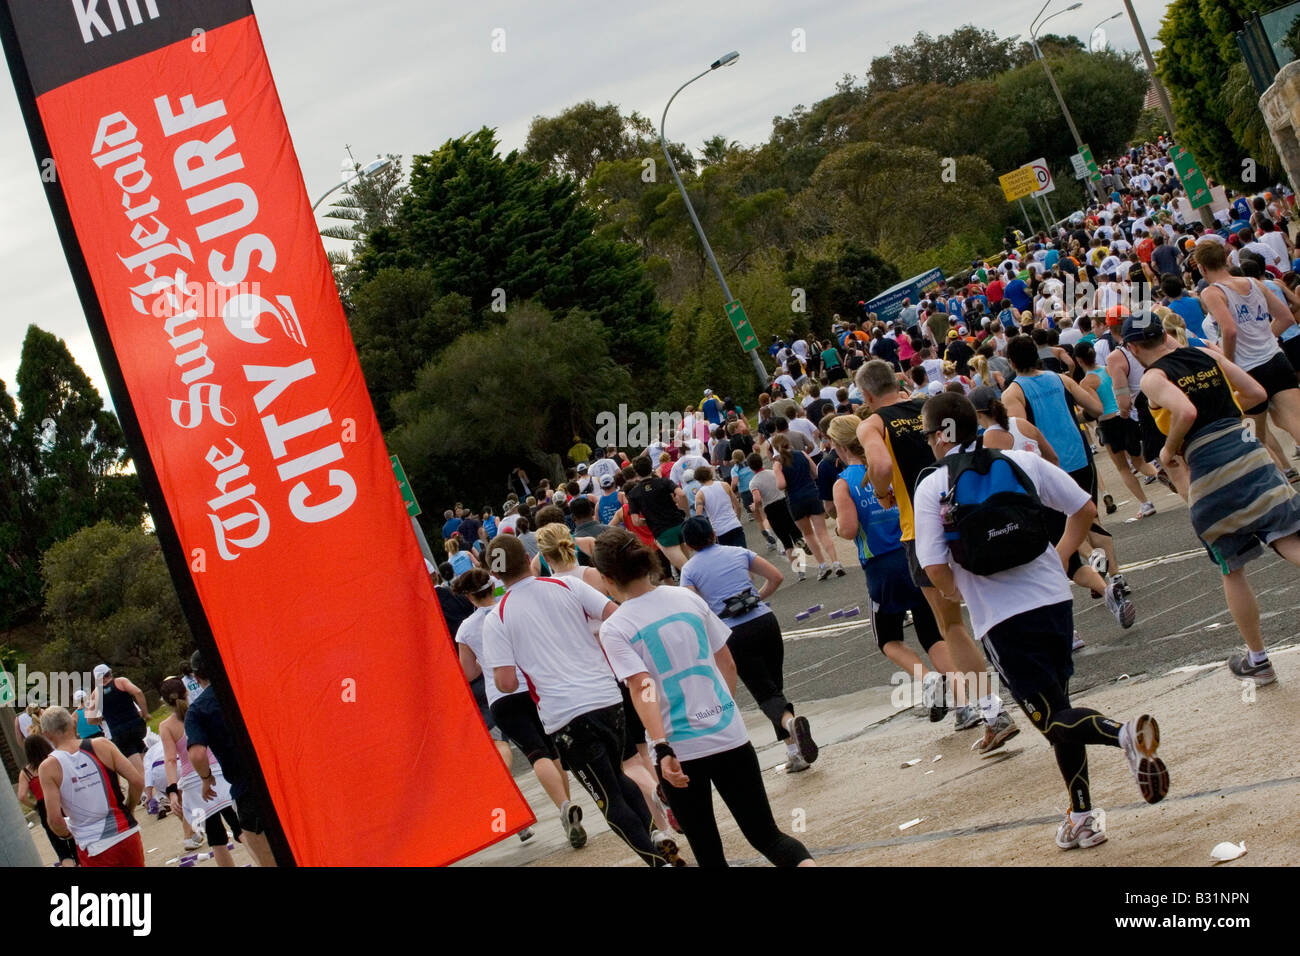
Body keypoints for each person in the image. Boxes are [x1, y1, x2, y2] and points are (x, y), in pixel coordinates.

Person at [913, 392, 1169, 850]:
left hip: (1002, 619)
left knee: (1051, 721)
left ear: (941, 435)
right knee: (1062, 711)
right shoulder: (1018, 462)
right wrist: (1061, 553)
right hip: (1054, 602)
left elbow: (933, 567)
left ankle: (1125, 734)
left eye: (929, 433)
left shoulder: (933, 485)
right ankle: (1083, 818)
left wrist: (961, 592)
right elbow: (1085, 509)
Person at [594, 528, 815, 867]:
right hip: (728, 733)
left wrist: (662, 746)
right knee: (767, 836)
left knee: (708, 852)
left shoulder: (616, 627)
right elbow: (726, 661)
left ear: (608, 578)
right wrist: (721, 708)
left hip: (680, 748)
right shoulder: (687, 598)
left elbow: (642, 687)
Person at [1125, 312, 1300, 686]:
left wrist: (1171, 451)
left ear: (1134, 347)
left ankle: (1259, 660)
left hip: (1210, 472)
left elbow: (1184, 411)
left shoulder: (1154, 377)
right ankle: (1258, 661)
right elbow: (1255, 394)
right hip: (1251, 454)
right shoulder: (1208, 355)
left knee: (1230, 566)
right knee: (1288, 539)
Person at [480, 534, 677, 866]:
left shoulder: (497, 617)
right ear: (526, 558)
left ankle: (657, 861)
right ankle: (656, 835)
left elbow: (506, 681)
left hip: (566, 715)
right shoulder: (565, 586)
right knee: (620, 774)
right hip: (607, 698)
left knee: (607, 797)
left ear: (494, 574)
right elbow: (615, 613)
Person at [854, 359, 1015, 745]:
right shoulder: (929, 404)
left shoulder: (872, 423)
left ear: (866, 395)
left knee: (952, 627)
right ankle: (1033, 686)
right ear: (898, 381)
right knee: (995, 602)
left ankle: (994, 712)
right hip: (969, 510)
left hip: (923, 529)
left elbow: (878, 462)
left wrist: (880, 491)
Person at [827, 416, 954, 724]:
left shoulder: (844, 483)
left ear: (840, 448)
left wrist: (842, 529)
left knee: (887, 638)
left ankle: (925, 678)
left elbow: (848, 528)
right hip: (910, 549)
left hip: (880, 564)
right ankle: (967, 699)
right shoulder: (887, 468)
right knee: (932, 632)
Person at [453, 568, 587, 849]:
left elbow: (467, 672)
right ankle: (568, 803)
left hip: (501, 696)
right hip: (534, 686)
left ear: (469, 597)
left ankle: (563, 806)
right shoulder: (510, 606)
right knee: (553, 751)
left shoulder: (466, 628)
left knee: (535, 753)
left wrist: (482, 661)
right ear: (493, 586)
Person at [679, 516, 819, 770]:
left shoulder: (689, 569)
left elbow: (690, 607)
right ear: (713, 533)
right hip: (765, 620)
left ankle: (791, 724)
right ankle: (794, 751)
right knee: (774, 687)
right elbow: (776, 576)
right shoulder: (738, 552)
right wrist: (756, 597)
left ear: (688, 545)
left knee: (765, 693)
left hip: (732, 632)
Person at [1195, 239, 1300, 469]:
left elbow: (1229, 330)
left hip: (1249, 373)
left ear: (1202, 268)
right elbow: (1286, 318)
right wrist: (1265, 336)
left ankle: (1273, 486)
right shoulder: (1254, 282)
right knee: (1296, 421)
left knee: (1252, 437)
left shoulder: (1212, 292)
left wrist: (1229, 365)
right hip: (1277, 360)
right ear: (1225, 259)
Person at [184, 651, 277, 866]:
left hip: (246, 790)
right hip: (280, 778)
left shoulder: (197, 710)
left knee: (268, 858)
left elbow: (197, 754)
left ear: (197, 679)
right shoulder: (251, 689)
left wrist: (206, 778)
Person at [37, 706, 145, 867]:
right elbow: (137, 781)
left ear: (46, 735)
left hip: (93, 844)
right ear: (74, 723)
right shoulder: (102, 745)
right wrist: (129, 808)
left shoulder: (48, 767)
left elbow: (54, 820)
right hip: (126, 832)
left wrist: (69, 834)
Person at [159, 677, 240, 864]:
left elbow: (171, 760)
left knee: (216, 839)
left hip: (194, 786)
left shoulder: (166, 726)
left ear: (164, 702)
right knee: (240, 828)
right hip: (218, 773)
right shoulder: (201, 710)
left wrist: (172, 792)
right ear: (186, 692)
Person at [771, 434, 842, 580]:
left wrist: (778, 472)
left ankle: (822, 565)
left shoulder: (778, 463)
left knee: (808, 535)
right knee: (823, 532)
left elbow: (781, 485)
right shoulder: (802, 454)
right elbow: (815, 471)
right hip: (811, 493)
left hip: (795, 500)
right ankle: (836, 562)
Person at [17, 734, 78, 866]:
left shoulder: (26, 772)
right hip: (62, 801)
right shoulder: (54, 761)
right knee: (75, 839)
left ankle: (67, 863)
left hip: (44, 806)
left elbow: (22, 795)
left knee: (60, 847)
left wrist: (35, 806)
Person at [625, 454, 690, 571]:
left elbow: (636, 521)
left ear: (636, 472)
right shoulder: (664, 482)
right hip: (680, 524)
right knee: (691, 562)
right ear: (651, 467)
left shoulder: (633, 494)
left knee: (686, 569)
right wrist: (686, 512)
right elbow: (682, 494)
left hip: (663, 532)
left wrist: (650, 520)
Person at [87, 664, 149, 777]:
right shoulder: (120, 682)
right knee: (142, 752)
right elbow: (138, 692)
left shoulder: (95, 694)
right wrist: (145, 713)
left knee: (137, 767)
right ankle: (158, 787)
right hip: (136, 725)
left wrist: (100, 719)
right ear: (110, 673)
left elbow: (90, 720)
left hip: (118, 732)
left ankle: (149, 791)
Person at [693, 465, 747, 548]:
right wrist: (737, 520)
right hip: (734, 524)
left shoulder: (700, 494)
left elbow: (699, 517)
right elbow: (737, 506)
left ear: (698, 479)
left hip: (719, 530)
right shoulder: (725, 485)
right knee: (743, 555)